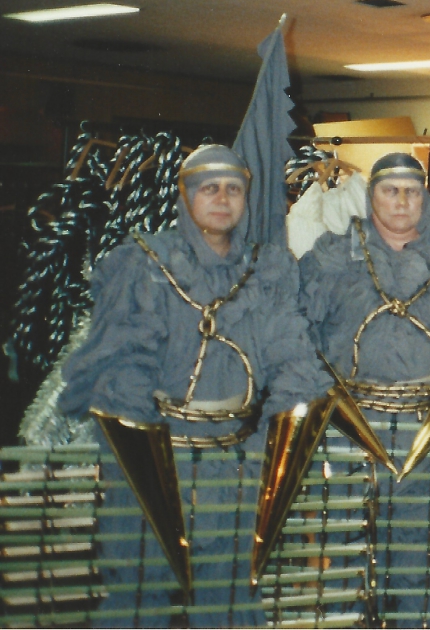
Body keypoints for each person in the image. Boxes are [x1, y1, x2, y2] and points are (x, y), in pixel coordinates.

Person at [58, 144, 332, 627]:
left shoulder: (266, 271)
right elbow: (122, 373)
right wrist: (157, 462)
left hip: (235, 465)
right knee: (138, 599)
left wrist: (269, 444)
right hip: (156, 463)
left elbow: (294, 361)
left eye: (234, 189)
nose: (222, 199)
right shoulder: (144, 265)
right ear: (185, 196)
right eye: (209, 188)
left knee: (229, 602)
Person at [298, 152, 430, 625]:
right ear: (373, 197)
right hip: (349, 427)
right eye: (391, 190)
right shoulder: (332, 255)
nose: (402, 201)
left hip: (426, 426)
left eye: (412, 191)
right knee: (345, 543)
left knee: (419, 546)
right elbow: (297, 329)